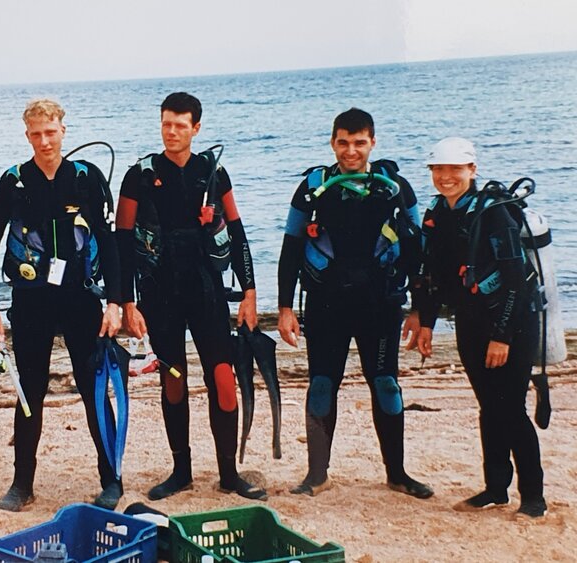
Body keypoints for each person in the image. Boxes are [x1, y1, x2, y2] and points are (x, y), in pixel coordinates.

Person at [116, 92, 266, 501]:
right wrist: (127, 302)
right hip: (160, 293)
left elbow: (236, 233)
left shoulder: (213, 173)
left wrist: (249, 293)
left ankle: (229, 473)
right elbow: (123, 240)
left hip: (207, 291)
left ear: (196, 128)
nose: (172, 132)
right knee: (174, 379)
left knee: (223, 379)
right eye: (166, 124)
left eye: (181, 125)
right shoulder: (140, 175)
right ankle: (181, 470)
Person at [277, 108, 433, 499]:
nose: (351, 150)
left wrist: (420, 310)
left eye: (359, 142)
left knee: (386, 386)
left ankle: (396, 474)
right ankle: (317, 476)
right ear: (333, 143)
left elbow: (418, 252)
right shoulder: (313, 188)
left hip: (380, 305)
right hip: (326, 304)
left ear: (372, 143)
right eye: (343, 142)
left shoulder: (395, 188)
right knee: (321, 385)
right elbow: (291, 248)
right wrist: (284, 308)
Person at [0, 99, 122, 511]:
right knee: (29, 391)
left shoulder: (86, 177)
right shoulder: (13, 181)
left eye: (51, 132)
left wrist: (115, 301)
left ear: (64, 131)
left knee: (94, 389)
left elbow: (109, 243)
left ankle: (111, 478)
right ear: (27, 136)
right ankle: (22, 484)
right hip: (31, 300)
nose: (44, 141)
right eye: (36, 134)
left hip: (80, 297)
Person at [410, 137, 546, 518]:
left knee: (511, 408)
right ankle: (496, 488)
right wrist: (426, 322)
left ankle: (534, 496)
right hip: (470, 321)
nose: (446, 176)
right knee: (489, 406)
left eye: (455, 169)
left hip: (514, 321)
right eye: (439, 169)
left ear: (472, 170)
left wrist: (501, 336)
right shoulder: (437, 214)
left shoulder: (493, 214)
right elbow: (431, 276)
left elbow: (516, 281)